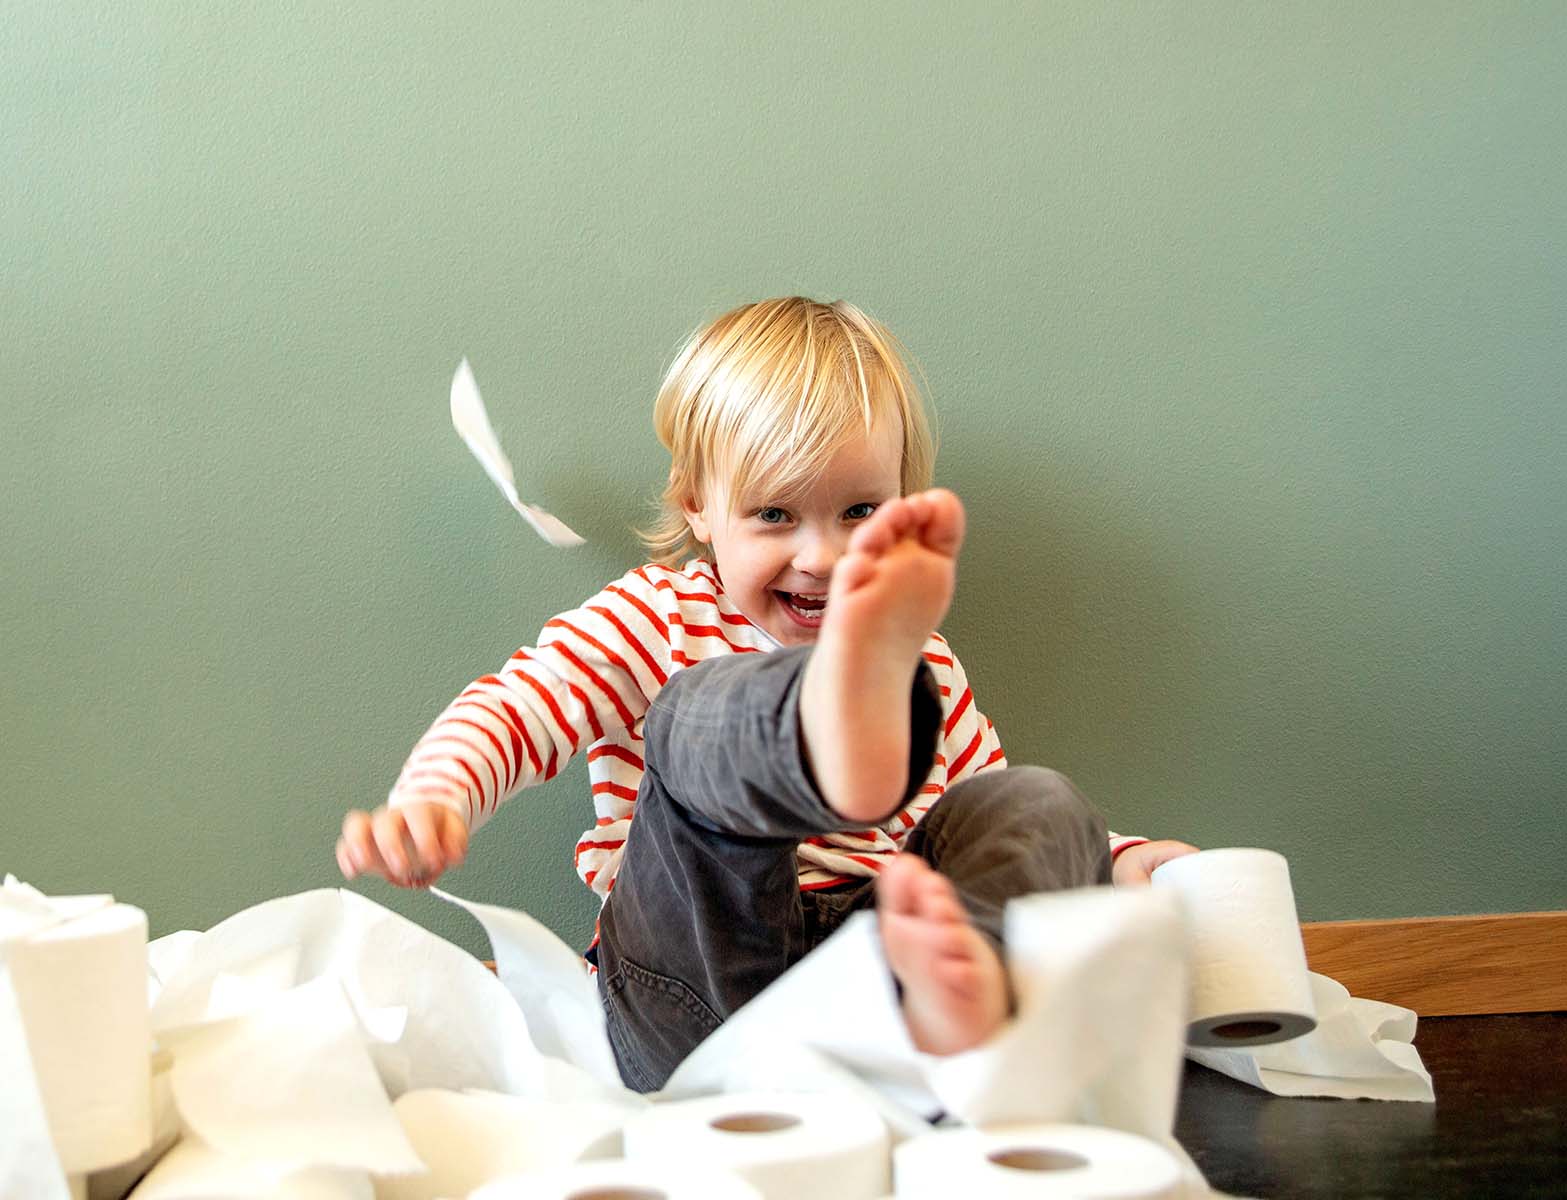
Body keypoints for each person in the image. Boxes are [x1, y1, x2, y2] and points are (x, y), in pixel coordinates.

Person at [336, 297, 1197, 1091]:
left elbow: (975, 805)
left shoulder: (921, 655)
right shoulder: (659, 615)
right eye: (775, 516)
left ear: (901, 500)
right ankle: (813, 729)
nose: (821, 557)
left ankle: (946, 995)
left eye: (859, 512)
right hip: (698, 990)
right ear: (698, 508)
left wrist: (1114, 857)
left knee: (1039, 800)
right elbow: (523, 703)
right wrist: (437, 794)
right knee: (696, 718)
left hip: (871, 978)